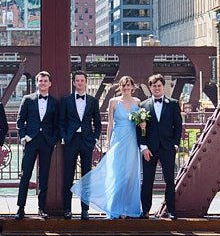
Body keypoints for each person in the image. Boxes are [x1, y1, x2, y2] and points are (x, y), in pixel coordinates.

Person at [72, 75, 142, 219]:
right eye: (123, 85)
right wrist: (108, 143)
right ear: (120, 87)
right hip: (118, 139)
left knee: (130, 174)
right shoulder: (113, 102)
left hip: (132, 140)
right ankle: (115, 208)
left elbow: (140, 124)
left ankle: (128, 209)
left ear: (133, 87)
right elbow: (110, 124)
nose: (126, 88)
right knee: (116, 174)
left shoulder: (138, 102)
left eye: (128, 85)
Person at [15, 70, 59, 219]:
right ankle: (20, 208)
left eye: (45, 81)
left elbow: (57, 124)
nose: (43, 83)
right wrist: (23, 136)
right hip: (31, 141)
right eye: (40, 81)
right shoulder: (28, 99)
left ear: (50, 83)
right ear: (36, 83)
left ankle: (42, 208)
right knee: (25, 175)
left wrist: (53, 141)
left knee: (44, 176)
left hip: (47, 142)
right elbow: (20, 120)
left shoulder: (54, 102)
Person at [138, 74, 182, 219]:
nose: (156, 88)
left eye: (159, 86)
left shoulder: (173, 104)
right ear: (150, 87)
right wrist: (143, 147)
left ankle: (171, 210)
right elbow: (140, 128)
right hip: (149, 149)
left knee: (169, 180)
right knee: (147, 181)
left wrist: (175, 144)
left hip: (167, 147)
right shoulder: (143, 105)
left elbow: (178, 126)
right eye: (154, 86)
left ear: (163, 87)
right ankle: (145, 211)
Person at [60, 70, 102, 219]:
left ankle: (85, 209)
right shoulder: (66, 100)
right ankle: (67, 209)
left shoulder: (93, 101)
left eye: (82, 80)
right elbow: (61, 121)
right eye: (77, 80)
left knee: (86, 176)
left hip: (86, 142)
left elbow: (98, 124)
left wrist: (94, 139)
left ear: (85, 82)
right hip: (70, 141)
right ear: (73, 82)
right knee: (68, 175)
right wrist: (64, 137)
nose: (79, 83)